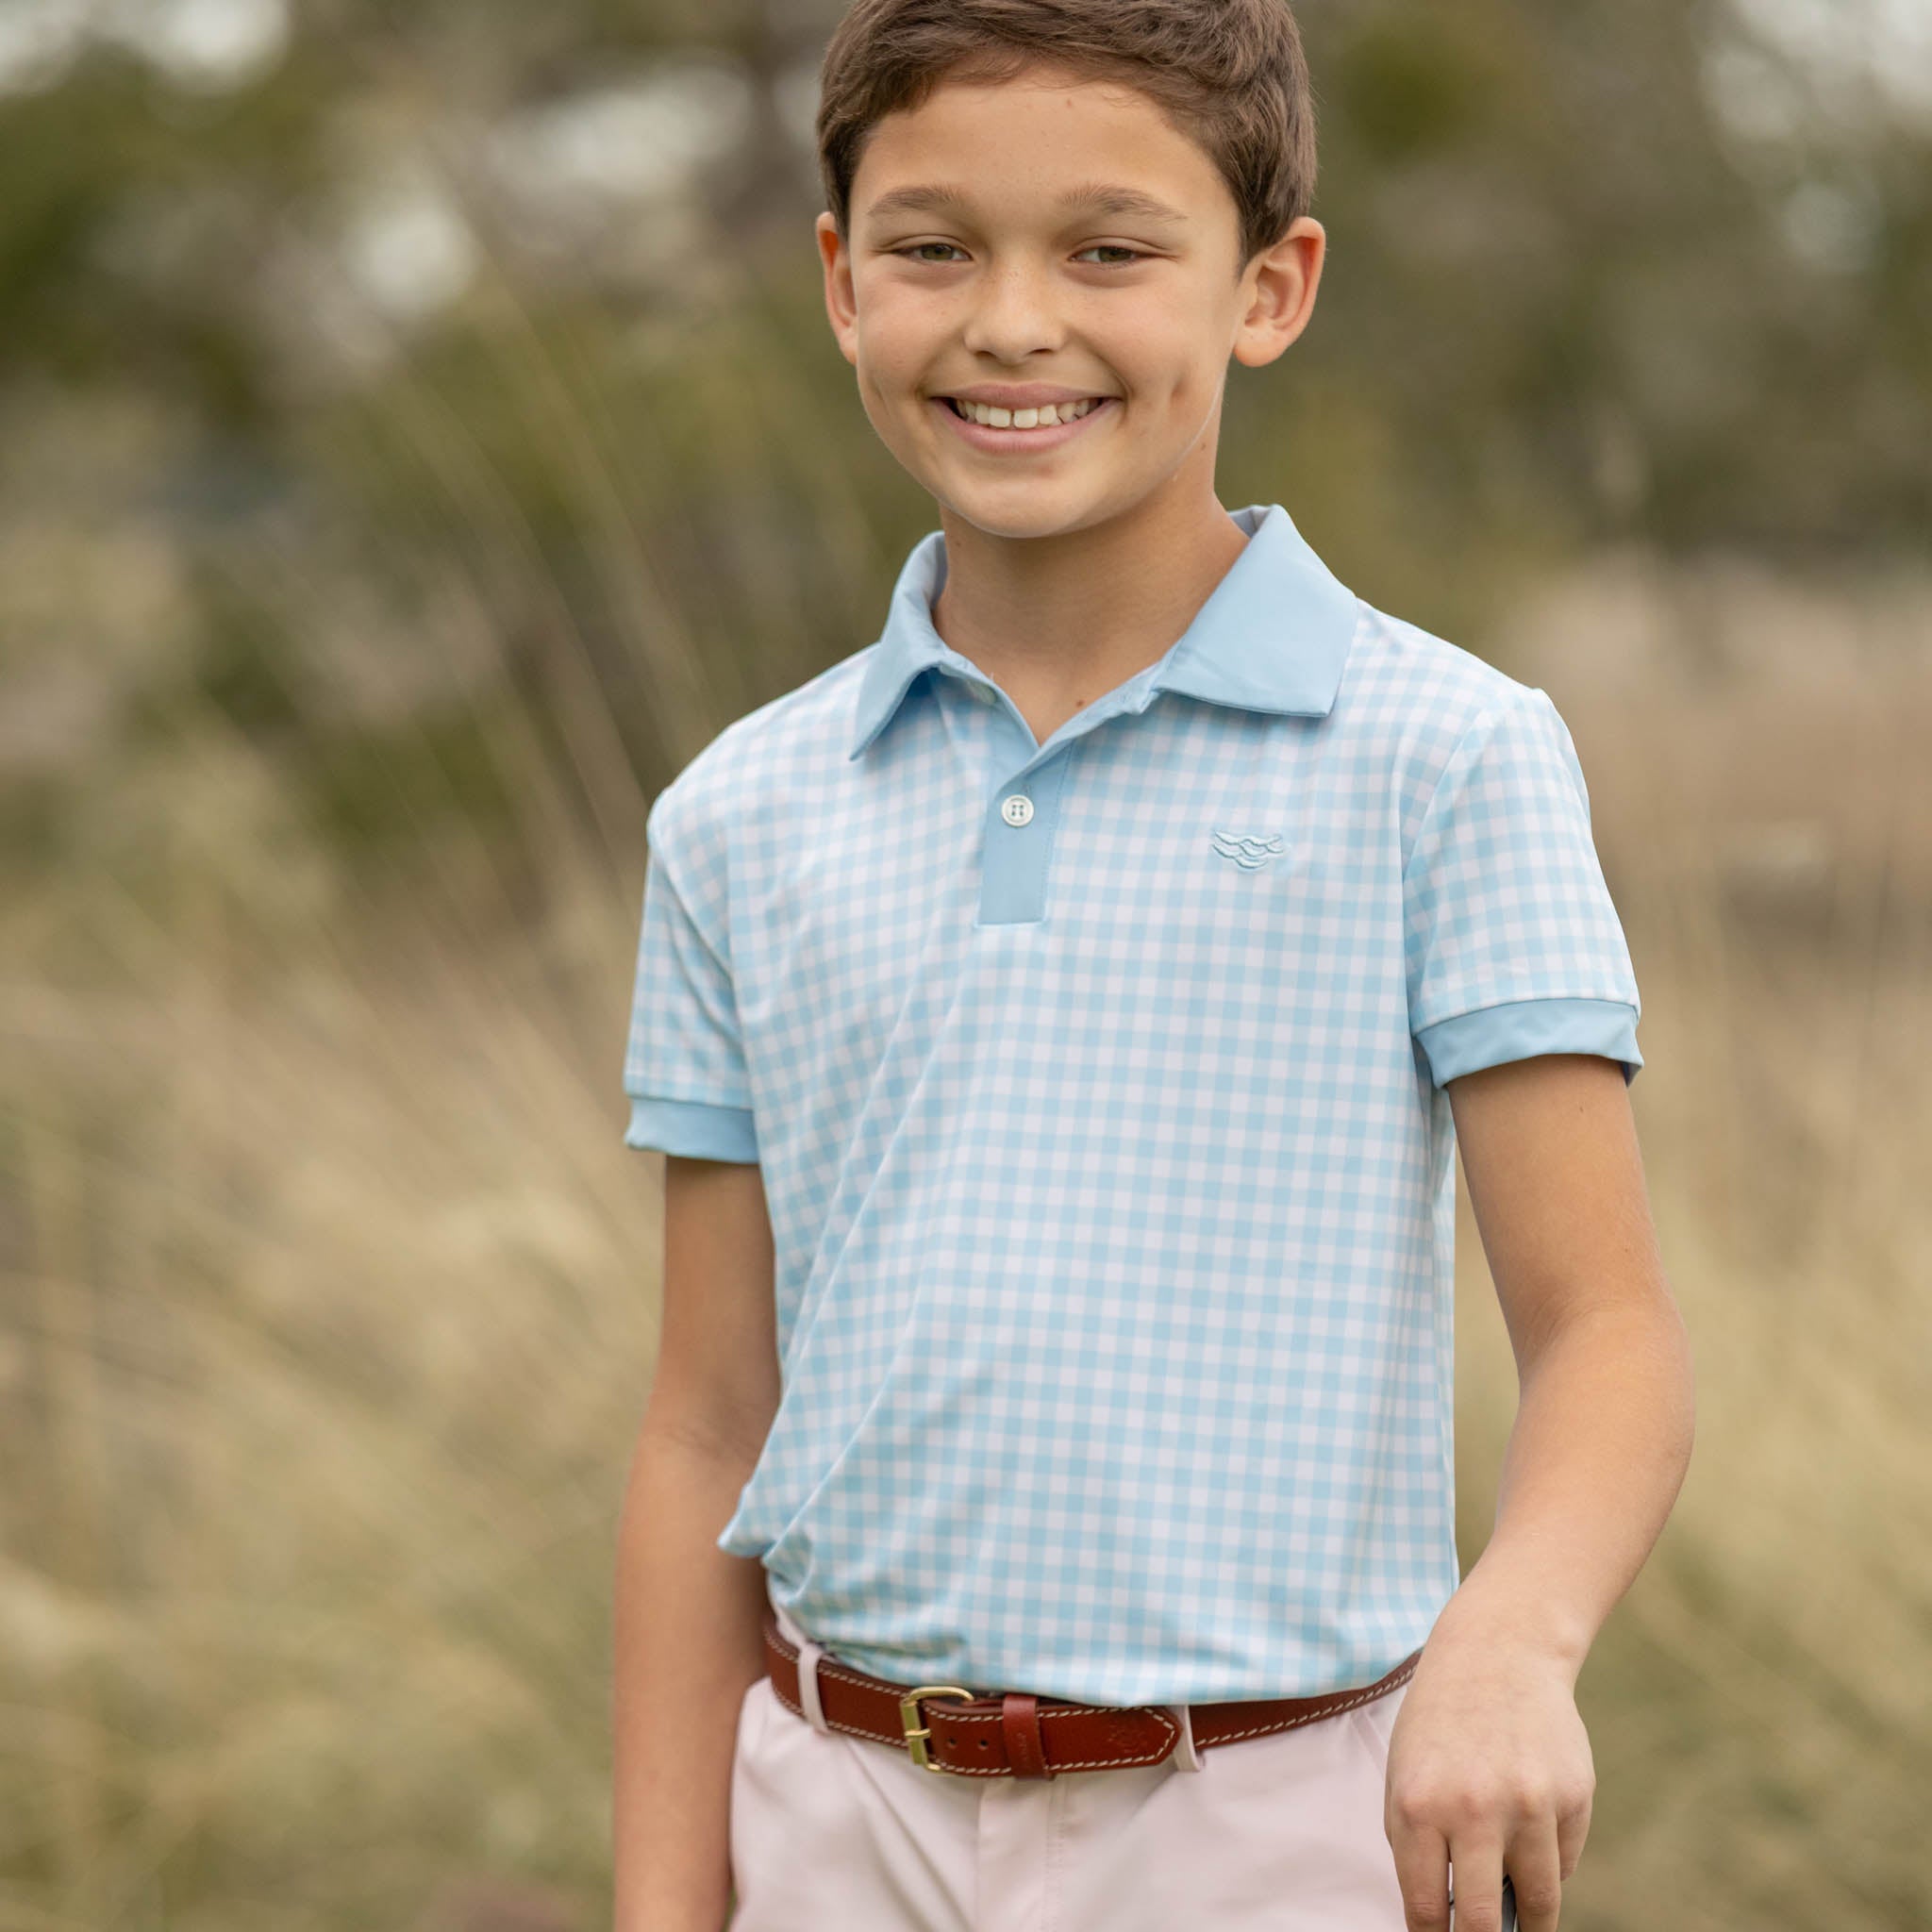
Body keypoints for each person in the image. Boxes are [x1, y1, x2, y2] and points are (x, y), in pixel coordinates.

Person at [609, 2, 1695, 1928]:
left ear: (1266, 289)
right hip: (832, 1815)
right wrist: (664, 1900)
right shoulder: (735, 814)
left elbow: (1607, 1337)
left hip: (1274, 1824)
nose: (1012, 320)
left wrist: (1510, 1645)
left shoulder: (1443, 753)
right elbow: (706, 1419)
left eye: (1108, 249)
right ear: (841, 282)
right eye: (935, 247)